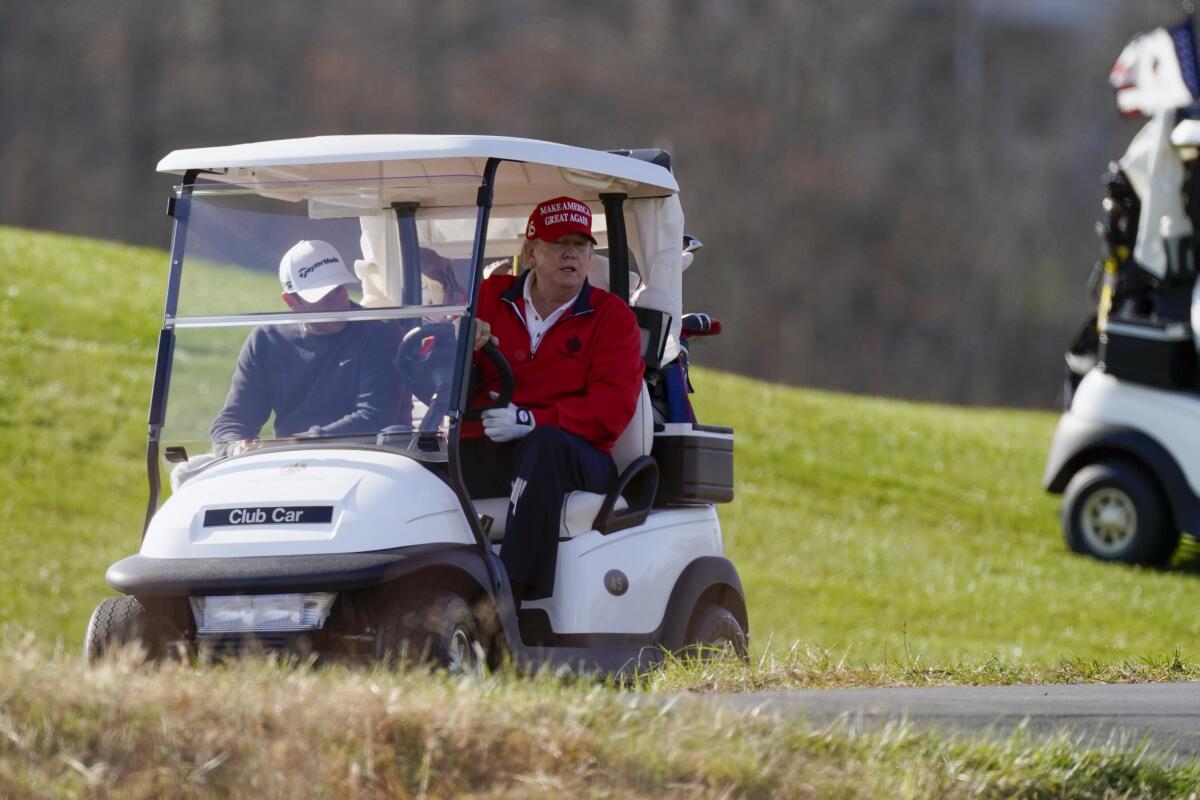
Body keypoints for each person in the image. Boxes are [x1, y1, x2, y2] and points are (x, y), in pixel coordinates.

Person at [462, 196, 644, 602]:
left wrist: (530, 420)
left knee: (543, 447)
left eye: (580, 245)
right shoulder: (490, 297)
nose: (571, 254)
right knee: (426, 458)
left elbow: (610, 412)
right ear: (530, 252)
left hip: (578, 455)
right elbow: (433, 363)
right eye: (557, 243)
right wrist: (462, 342)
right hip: (492, 445)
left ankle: (510, 596)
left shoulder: (612, 318)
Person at [210, 239, 401, 454]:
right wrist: (236, 446)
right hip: (290, 464)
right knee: (186, 472)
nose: (337, 304)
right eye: (322, 297)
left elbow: (375, 417)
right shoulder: (267, 339)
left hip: (370, 458)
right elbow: (234, 418)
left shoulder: (379, 331)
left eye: (339, 290)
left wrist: (294, 444)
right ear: (292, 302)